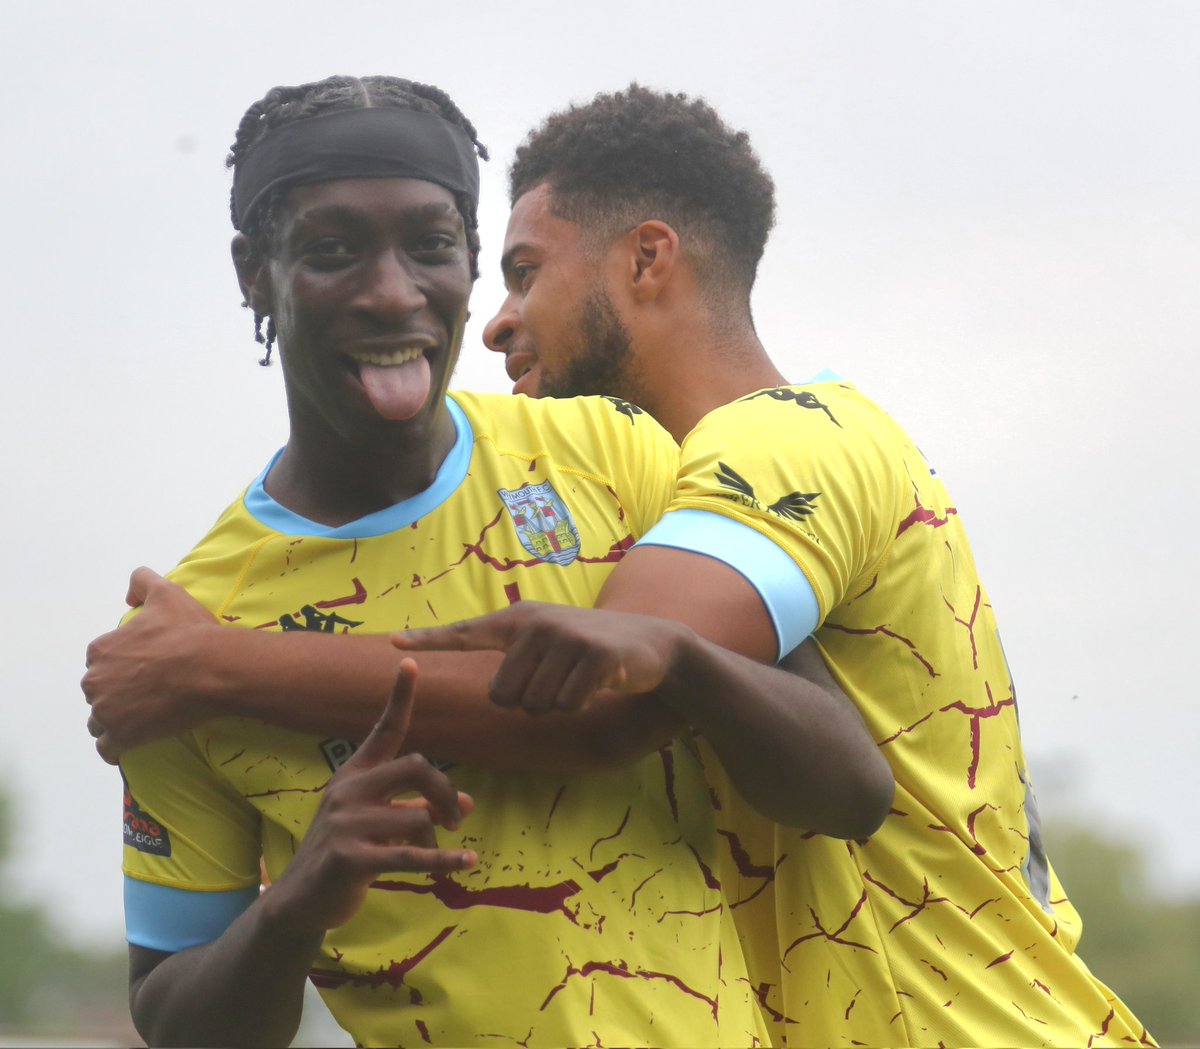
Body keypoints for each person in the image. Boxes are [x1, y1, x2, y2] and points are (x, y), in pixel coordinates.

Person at [103, 74, 889, 1049]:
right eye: (332, 251)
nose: (393, 292)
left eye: (431, 245)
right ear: (254, 273)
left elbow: (851, 789)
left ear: (473, 261)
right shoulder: (187, 636)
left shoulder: (618, 453)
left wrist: (684, 659)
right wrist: (292, 906)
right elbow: (178, 1014)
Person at [393, 85, 1153, 1047]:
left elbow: (601, 697)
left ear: (647, 258)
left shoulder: (784, 443)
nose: (498, 321)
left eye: (525, 271)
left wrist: (219, 672)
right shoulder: (712, 485)